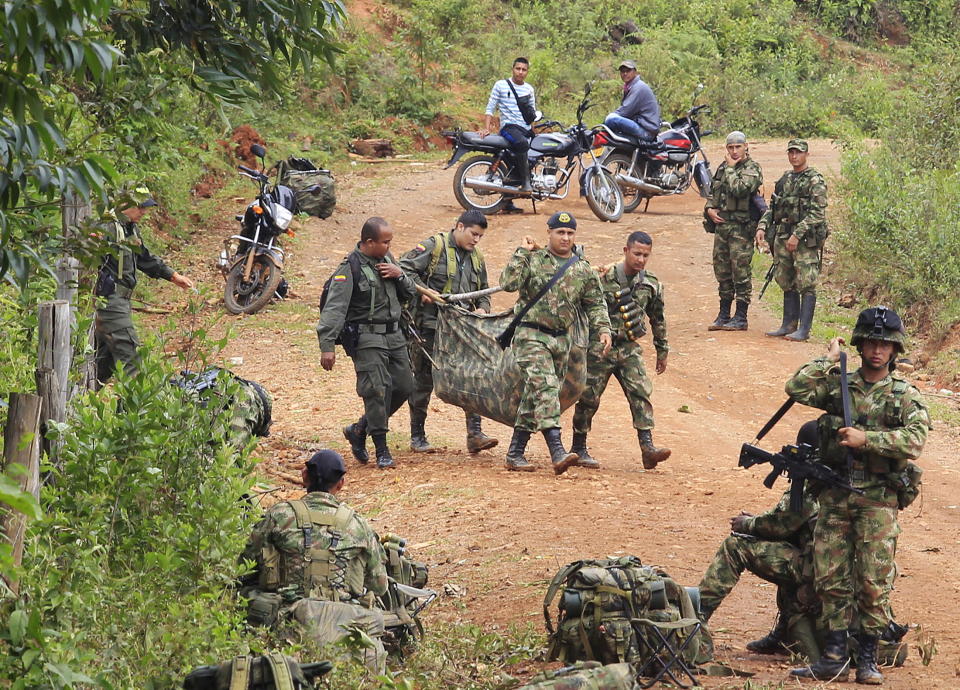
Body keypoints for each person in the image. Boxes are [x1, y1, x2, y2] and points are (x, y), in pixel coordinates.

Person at [785, 306, 929, 684]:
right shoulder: (839, 385)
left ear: (894, 349)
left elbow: (915, 440)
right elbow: (796, 388)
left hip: (878, 499)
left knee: (873, 580)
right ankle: (833, 656)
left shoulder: (903, 395)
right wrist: (827, 359)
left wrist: (869, 440)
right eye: (870, 343)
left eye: (884, 344)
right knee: (830, 576)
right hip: (835, 495)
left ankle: (867, 658)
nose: (877, 351)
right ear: (860, 346)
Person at [239, 450, 389, 670]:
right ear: (341, 484)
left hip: (287, 620)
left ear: (304, 476)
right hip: (345, 622)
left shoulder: (279, 515)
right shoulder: (358, 525)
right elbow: (380, 585)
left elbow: (245, 567)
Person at [499, 211, 612, 473]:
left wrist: (604, 329)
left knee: (535, 395)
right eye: (560, 232)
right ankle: (557, 450)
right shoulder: (534, 260)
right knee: (547, 387)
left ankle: (515, 453)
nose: (565, 237)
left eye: (570, 233)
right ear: (548, 233)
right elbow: (508, 283)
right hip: (530, 335)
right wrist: (521, 252)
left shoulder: (582, 269)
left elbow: (596, 303)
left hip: (561, 341)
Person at [698, 422, 821, 649]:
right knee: (788, 550)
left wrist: (748, 524)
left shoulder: (815, 483)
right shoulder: (843, 478)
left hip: (817, 571)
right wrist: (756, 523)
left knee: (735, 546)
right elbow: (789, 524)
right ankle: (782, 634)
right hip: (832, 569)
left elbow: (780, 525)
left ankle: (696, 618)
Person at [317, 217, 416, 469]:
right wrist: (327, 346)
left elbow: (409, 293)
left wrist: (400, 274)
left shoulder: (388, 261)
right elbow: (334, 309)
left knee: (404, 386)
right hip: (366, 337)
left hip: (394, 335)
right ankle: (382, 449)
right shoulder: (349, 268)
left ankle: (360, 429)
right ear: (369, 242)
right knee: (376, 389)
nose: (389, 246)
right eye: (385, 242)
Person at [399, 209, 498, 454]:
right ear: (459, 226)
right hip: (429, 328)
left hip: (462, 330)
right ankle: (417, 436)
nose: (475, 240)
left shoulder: (477, 258)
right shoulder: (434, 247)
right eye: (473, 234)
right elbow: (403, 271)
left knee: (472, 377)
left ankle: (474, 434)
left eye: (480, 237)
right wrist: (424, 292)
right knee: (423, 380)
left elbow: (483, 290)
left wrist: (484, 309)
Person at [571, 231, 671, 470]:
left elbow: (658, 318)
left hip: (628, 347)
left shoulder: (651, 283)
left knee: (640, 393)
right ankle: (578, 447)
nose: (641, 259)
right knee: (588, 397)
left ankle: (648, 448)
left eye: (646, 255)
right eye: (637, 253)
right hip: (600, 346)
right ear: (626, 251)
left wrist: (662, 349)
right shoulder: (602, 277)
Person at [94, 187, 194, 388]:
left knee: (105, 360)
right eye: (140, 207)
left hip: (121, 300)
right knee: (130, 354)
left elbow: (144, 258)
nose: (143, 212)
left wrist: (173, 276)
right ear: (125, 204)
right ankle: (140, 409)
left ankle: (81, 402)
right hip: (110, 300)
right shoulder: (107, 227)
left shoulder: (129, 227)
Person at [755, 139, 828, 342]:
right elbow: (773, 208)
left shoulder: (815, 180)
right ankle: (788, 325)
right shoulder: (785, 179)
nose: (794, 156)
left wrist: (797, 235)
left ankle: (803, 330)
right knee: (785, 279)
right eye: (791, 152)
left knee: (806, 281)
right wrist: (762, 227)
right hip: (783, 235)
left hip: (805, 239)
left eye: (798, 152)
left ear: (806, 154)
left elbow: (817, 213)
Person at [704, 131, 763, 331]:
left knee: (741, 272)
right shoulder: (723, 168)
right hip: (723, 227)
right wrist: (710, 209)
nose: (734, 151)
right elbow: (714, 191)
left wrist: (730, 169)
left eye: (738, 147)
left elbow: (740, 189)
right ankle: (723, 313)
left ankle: (741, 316)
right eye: (731, 147)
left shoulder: (752, 169)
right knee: (722, 271)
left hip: (741, 229)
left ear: (746, 146)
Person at [481, 57, 537, 212]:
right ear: (512, 69)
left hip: (525, 129)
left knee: (536, 153)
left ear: (527, 72)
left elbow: (531, 113)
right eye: (518, 68)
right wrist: (486, 127)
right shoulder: (501, 85)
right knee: (522, 144)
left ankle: (507, 202)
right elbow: (490, 107)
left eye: (523, 69)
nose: (520, 72)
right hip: (509, 128)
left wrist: (535, 130)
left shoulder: (529, 89)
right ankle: (525, 182)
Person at [603, 60, 661, 141]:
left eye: (628, 71)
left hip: (647, 131)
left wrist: (609, 118)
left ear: (635, 72)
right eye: (622, 71)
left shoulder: (639, 87)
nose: (625, 73)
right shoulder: (630, 86)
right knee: (610, 120)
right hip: (641, 124)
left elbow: (625, 111)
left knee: (611, 120)